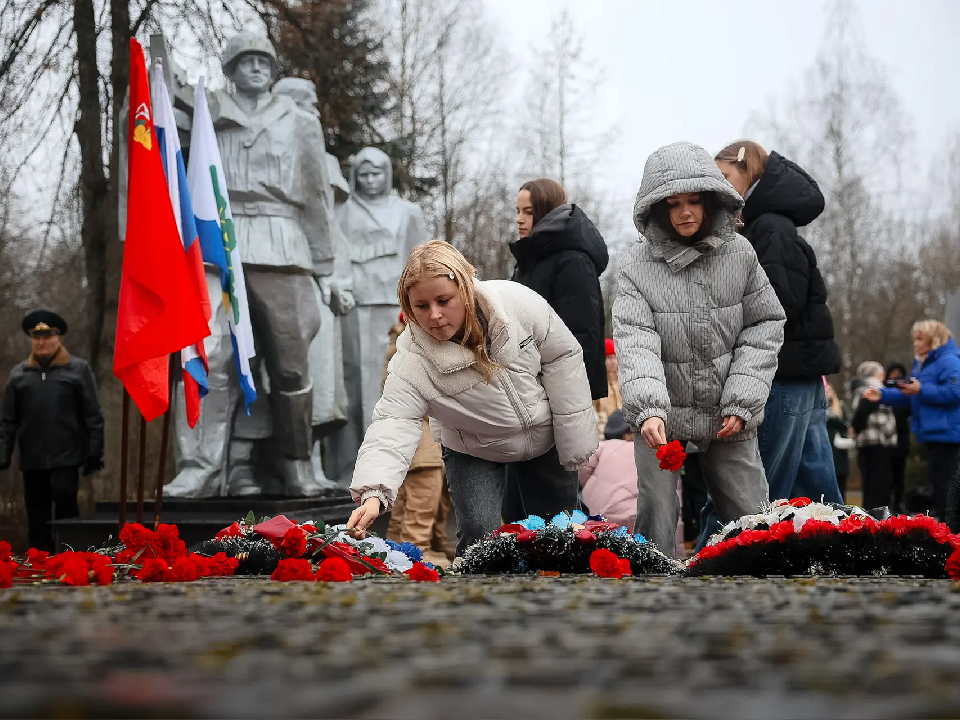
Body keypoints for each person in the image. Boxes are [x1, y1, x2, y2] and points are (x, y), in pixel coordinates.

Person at [345, 241, 598, 556]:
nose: (434, 315)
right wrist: (373, 493)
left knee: (561, 534)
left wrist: (575, 441)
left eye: (444, 300)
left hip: (546, 436)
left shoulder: (517, 304)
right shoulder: (411, 360)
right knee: (479, 538)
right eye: (421, 306)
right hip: (473, 445)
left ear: (464, 289)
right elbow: (393, 421)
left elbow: (563, 357)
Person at [613, 141, 785, 558]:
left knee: (752, 518)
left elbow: (765, 322)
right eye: (673, 204)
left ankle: (766, 589)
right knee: (655, 514)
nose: (685, 212)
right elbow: (635, 340)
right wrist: (648, 407)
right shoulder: (635, 267)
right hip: (662, 413)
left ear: (711, 200)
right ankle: (652, 591)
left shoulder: (740, 254)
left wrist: (742, 399)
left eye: (694, 201)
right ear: (657, 208)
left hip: (728, 407)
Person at [0, 312, 104, 552]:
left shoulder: (78, 370)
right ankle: (41, 562)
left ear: (59, 338)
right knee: (37, 513)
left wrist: (95, 451)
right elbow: (8, 421)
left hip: (67, 454)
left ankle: (69, 557)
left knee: (66, 505)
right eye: (36, 337)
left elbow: (93, 414)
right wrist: (4, 453)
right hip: (33, 456)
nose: (41, 342)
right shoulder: (19, 375)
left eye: (47, 336)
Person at [511, 179, 609, 399]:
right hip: (531, 386)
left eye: (528, 212)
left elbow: (582, 334)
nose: (519, 219)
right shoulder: (529, 260)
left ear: (545, 211)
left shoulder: (573, 260)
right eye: (517, 211)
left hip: (563, 391)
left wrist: (566, 392)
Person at [864, 320, 960, 521]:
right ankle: (945, 526)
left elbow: (955, 392)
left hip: (948, 433)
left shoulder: (949, 361)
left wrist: (921, 389)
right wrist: (883, 395)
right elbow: (911, 395)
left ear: (933, 340)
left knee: (946, 483)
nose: (915, 343)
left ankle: (951, 530)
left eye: (920, 339)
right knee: (940, 482)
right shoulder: (924, 365)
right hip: (934, 433)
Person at [382, 313, 454, 567]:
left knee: (425, 502)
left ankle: (407, 549)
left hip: (428, 441)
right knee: (421, 500)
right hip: (421, 442)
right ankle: (415, 552)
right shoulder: (406, 348)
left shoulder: (407, 345)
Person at [579, 410, 685, 557]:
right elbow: (674, 496)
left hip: (606, 516)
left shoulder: (602, 447)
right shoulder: (661, 453)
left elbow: (582, 474)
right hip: (652, 520)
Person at [852, 362, 898, 511]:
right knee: (879, 483)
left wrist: (856, 430)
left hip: (866, 441)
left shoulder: (859, 389)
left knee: (869, 481)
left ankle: (869, 512)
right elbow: (864, 412)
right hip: (879, 440)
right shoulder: (875, 388)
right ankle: (877, 514)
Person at [884, 362, 912, 514]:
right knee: (886, 477)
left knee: (899, 476)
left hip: (901, 441)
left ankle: (899, 504)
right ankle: (887, 504)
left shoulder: (905, 397)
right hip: (886, 442)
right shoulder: (884, 395)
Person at [825, 381, 854, 502]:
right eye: (825, 391)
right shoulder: (818, 409)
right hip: (825, 448)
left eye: (829, 390)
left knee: (840, 480)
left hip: (838, 449)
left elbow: (847, 425)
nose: (827, 393)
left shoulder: (841, 407)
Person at [593, 339, 623, 442]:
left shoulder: (622, 381)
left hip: (623, 433)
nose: (613, 362)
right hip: (603, 435)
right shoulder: (596, 384)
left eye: (615, 357)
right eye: (609, 358)